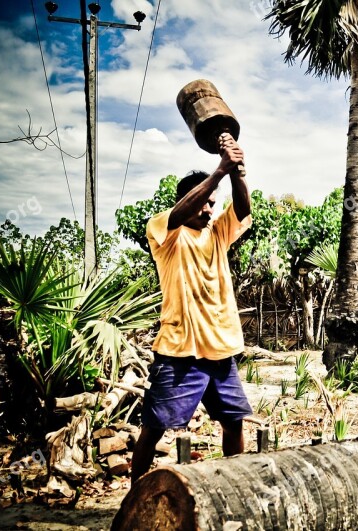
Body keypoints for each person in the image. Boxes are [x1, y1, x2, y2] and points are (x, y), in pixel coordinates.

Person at [131, 134, 251, 485]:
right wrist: (218, 171)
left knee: (233, 423)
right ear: (186, 199)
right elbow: (182, 211)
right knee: (154, 429)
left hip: (220, 350)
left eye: (212, 203)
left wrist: (238, 170)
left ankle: (232, 488)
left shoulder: (217, 233)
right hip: (179, 351)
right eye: (202, 202)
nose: (208, 209)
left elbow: (242, 210)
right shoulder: (164, 231)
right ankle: (134, 497)